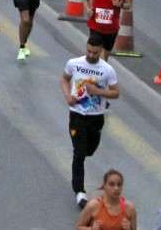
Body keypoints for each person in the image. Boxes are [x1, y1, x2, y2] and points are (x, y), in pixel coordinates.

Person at [62, 35, 120, 207]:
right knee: (79, 153)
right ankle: (79, 191)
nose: (91, 55)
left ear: (101, 50)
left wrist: (98, 92)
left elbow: (116, 92)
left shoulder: (107, 70)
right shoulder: (74, 63)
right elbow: (64, 79)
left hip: (96, 117)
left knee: (89, 150)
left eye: (95, 52)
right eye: (88, 51)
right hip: (77, 115)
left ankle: (83, 157)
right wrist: (68, 96)